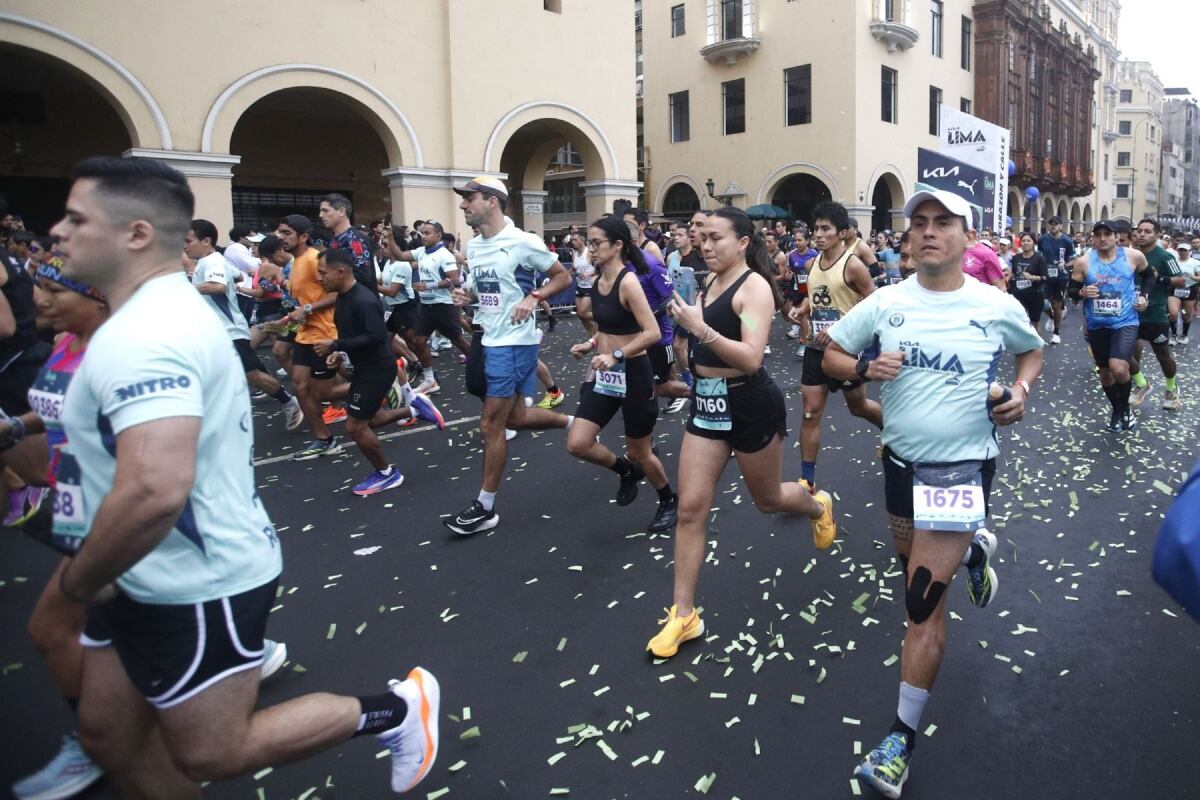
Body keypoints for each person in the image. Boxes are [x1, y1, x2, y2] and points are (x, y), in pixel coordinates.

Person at [48, 156, 440, 798]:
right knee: (107, 732)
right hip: (134, 569)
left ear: (137, 233)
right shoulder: (140, 320)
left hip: (195, 578)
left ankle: (395, 711)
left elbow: (154, 489)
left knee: (211, 748)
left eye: (75, 219)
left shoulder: (152, 332)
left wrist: (76, 581)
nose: (57, 232)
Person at [824, 189, 1043, 799]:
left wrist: (1020, 393)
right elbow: (833, 355)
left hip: (960, 472)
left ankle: (899, 740)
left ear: (967, 236)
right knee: (916, 577)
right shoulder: (886, 302)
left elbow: (1031, 352)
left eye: (943, 222)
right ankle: (973, 552)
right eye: (918, 222)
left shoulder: (994, 304)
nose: (927, 231)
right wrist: (864, 369)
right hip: (899, 465)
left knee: (921, 603)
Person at [647, 207, 836, 659]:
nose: (706, 244)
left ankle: (817, 505)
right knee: (691, 509)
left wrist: (700, 328)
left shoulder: (755, 288)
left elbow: (751, 356)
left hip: (750, 402)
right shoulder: (708, 282)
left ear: (743, 242)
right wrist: (688, 332)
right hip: (708, 404)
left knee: (767, 500)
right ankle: (684, 615)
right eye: (703, 237)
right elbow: (700, 338)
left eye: (716, 237)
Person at [446, 177, 573, 535]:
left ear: (492, 201)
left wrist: (534, 297)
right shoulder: (474, 247)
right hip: (488, 337)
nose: (463, 205)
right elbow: (487, 289)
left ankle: (485, 508)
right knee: (516, 417)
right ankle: (575, 424)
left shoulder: (522, 242)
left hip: (515, 341)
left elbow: (562, 276)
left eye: (469, 198)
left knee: (491, 424)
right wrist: (469, 297)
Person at [566, 217, 678, 531]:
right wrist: (590, 344)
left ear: (618, 246)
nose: (591, 249)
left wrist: (616, 355)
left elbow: (651, 332)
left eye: (596, 243)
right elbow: (607, 328)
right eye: (589, 243)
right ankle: (626, 471)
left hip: (634, 373)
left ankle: (668, 499)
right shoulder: (597, 282)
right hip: (606, 375)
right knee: (578, 443)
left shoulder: (628, 282)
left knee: (640, 451)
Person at [312, 248, 443, 495]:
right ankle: (415, 408)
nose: (319, 278)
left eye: (322, 272)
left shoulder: (363, 300)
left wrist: (336, 345)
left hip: (375, 370)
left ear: (340, 272)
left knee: (354, 426)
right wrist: (339, 353)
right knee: (368, 419)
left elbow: (375, 337)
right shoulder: (344, 296)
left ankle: (386, 473)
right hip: (366, 368)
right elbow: (353, 333)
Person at [790, 201, 882, 489]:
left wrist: (841, 328)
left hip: (845, 351)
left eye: (825, 229)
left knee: (858, 407)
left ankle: (894, 434)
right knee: (810, 412)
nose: (818, 235)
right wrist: (804, 308)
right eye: (815, 229)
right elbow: (819, 295)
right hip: (816, 349)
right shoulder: (811, 264)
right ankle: (807, 481)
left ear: (842, 233)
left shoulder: (853, 265)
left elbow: (873, 302)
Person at [184, 219, 303, 431]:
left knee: (251, 375)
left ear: (206, 241)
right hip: (221, 331)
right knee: (241, 373)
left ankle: (290, 402)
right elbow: (237, 276)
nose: (185, 246)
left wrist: (186, 287)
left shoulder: (211, 262)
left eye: (188, 241)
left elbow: (218, 286)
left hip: (229, 331)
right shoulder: (213, 260)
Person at [1069, 220, 1155, 431]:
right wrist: (1082, 292)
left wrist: (1143, 296)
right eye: (1098, 234)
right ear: (1093, 238)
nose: (1102, 238)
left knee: (1118, 367)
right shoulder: (1084, 262)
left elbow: (1149, 276)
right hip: (1097, 324)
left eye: (1107, 234)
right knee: (1105, 372)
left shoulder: (1133, 256)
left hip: (1125, 321)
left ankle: (1124, 409)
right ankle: (1118, 410)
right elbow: (1071, 290)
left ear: (1116, 236)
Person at [279, 214, 346, 458]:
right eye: (280, 232)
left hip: (324, 333)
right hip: (304, 333)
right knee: (299, 386)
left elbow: (336, 294)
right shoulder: (295, 262)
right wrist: (290, 318)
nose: (281, 237)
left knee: (323, 393)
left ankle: (381, 385)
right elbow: (304, 300)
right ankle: (324, 439)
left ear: (303, 236)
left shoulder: (313, 260)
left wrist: (306, 309)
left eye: (286, 233)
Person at [382, 220, 471, 396]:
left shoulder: (444, 254)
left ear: (438, 235)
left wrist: (428, 286)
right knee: (418, 341)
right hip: (425, 306)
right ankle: (430, 380)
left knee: (459, 341)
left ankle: (482, 367)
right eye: (422, 233)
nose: (423, 236)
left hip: (443, 305)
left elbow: (454, 280)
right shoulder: (421, 251)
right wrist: (390, 237)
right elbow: (399, 255)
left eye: (427, 233)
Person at [1129, 218, 1185, 410]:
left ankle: (1172, 389)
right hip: (1130, 314)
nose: (1142, 234)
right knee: (1122, 351)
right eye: (1139, 231)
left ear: (1157, 235)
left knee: (1163, 355)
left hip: (1155, 314)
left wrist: (1159, 278)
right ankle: (1141, 384)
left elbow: (1180, 280)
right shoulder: (1130, 255)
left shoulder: (1164, 256)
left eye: (1147, 231)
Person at [319, 193, 378, 293]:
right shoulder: (334, 239)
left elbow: (364, 276)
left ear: (341, 211)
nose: (320, 215)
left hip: (360, 300)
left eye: (325, 210)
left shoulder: (355, 239)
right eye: (321, 211)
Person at [1008, 233, 1049, 332]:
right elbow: (1014, 272)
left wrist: (1032, 277)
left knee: (1034, 323)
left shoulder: (1039, 258)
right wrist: (1007, 277)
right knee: (1019, 321)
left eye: (1028, 241)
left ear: (1034, 243)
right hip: (1018, 293)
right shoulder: (1016, 258)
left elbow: (1045, 277)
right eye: (1023, 241)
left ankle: (1035, 341)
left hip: (1035, 294)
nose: (1025, 243)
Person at [786, 223, 818, 347]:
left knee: (804, 314)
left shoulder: (815, 254)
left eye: (800, 240)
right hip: (798, 288)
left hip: (811, 289)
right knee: (800, 315)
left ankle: (805, 344)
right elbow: (790, 270)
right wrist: (789, 275)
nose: (797, 243)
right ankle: (806, 336)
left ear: (807, 241)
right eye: (795, 240)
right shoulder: (792, 255)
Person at [568, 230, 598, 337]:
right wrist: (564, 275)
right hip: (580, 286)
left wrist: (589, 274)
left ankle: (603, 319)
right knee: (580, 315)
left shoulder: (589, 253)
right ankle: (592, 335)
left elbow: (600, 268)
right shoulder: (575, 254)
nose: (573, 242)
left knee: (583, 312)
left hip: (590, 286)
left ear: (582, 240)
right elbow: (573, 269)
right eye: (572, 240)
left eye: (575, 240)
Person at [1175, 240, 1198, 344]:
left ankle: (1184, 334)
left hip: (1189, 289)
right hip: (1174, 289)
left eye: (1185, 250)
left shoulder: (1195, 262)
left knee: (1185, 314)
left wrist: (1192, 276)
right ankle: (1174, 334)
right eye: (1180, 250)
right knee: (1172, 312)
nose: (1182, 252)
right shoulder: (1174, 261)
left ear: (1189, 251)